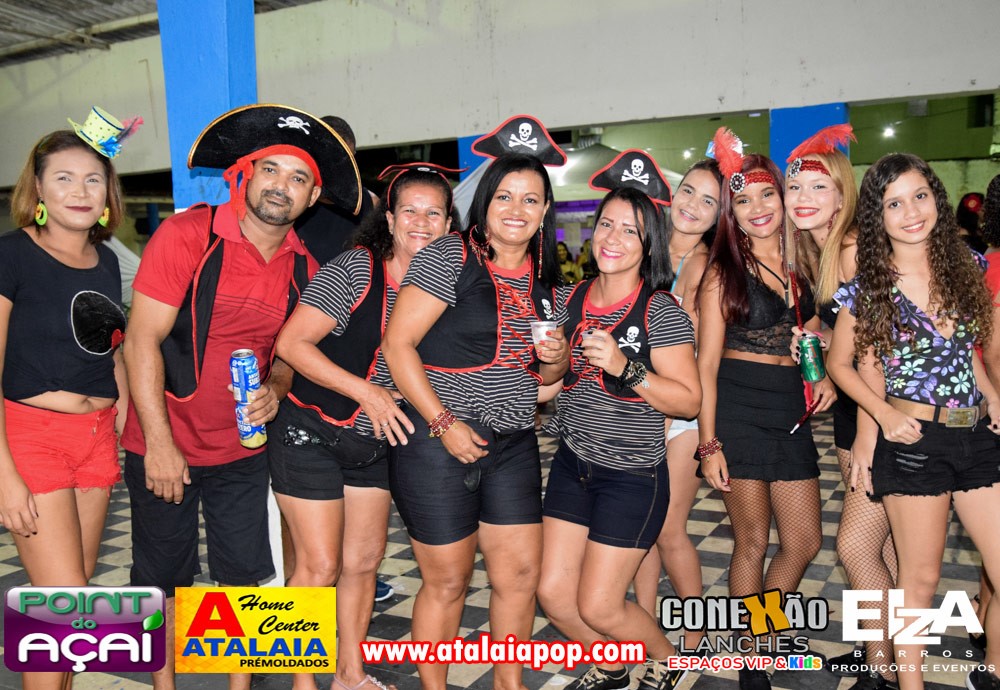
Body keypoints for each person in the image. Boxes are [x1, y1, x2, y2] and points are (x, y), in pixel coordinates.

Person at [120, 104, 360, 690]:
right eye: (270, 170)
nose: (281, 185)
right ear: (245, 175)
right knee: (161, 581)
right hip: (165, 442)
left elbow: (288, 354)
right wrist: (160, 445)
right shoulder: (188, 235)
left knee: (243, 581)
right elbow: (141, 340)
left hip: (243, 449)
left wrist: (276, 389)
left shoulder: (305, 268)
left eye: (298, 178)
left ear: (312, 198)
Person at [381, 114, 569, 690]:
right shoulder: (449, 257)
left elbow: (546, 385)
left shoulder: (547, 283)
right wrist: (443, 423)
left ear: (544, 211)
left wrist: (558, 356)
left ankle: (509, 684)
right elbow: (397, 345)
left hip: (512, 444)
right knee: (448, 582)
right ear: (485, 203)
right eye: (505, 196)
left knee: (519, 577)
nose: (517, 209)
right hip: (437, 442)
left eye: (530, 199)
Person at [272, 163, 461, 690]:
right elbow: (291, 343)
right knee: (319, 565)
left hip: (377, 441)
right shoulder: (357, 268)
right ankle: (302, 684)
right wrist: (368, 391)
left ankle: (349, 674)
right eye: (409, 211)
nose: (421, 222)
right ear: (390, 219)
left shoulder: (449, 286)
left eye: (433, 213)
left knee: (362, 562)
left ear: (449, 225)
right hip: (311, 430)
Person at [827, 153, 1000, 690]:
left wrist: (993, 395)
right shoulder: (871, 286)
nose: (911, 212)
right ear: (878, 217)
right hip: (914, 443)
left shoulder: (966, 265)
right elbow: (841, 363)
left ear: (936, 199)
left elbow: (965, 350)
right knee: (919, 583)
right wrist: (880, 416)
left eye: (919, 196)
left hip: (977, 436)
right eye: (894, 204)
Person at [537, 150, 700, 690]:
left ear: (649, 243)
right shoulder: (569, 300)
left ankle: (670, 660)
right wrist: (550, 363)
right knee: (554, 595)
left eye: (631, 230)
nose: (613, 238)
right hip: (573, 464)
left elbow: (688, 402)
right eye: (606, 224)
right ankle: (611, 665)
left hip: (631, 477)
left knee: (601, 606)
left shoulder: (661, 312)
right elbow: (548, 390)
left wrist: (625, 367)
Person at [0, 107, 135, 690]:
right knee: (62, 603)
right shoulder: (11, 254)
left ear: (107, 192)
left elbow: (111, 351)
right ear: (37, 189)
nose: (80, 191)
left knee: (72, 611)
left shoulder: (106, 260)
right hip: (32, 437)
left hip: (96, 439)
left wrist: (127, 425)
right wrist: (3, 475)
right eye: (63, 178)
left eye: (92, 179)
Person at [697, 128, 835, 690]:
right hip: (737, 409)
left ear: (782, 196)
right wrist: (709, 444)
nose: (756, 208)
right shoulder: (722, 272)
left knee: (803, 542)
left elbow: (822, 327)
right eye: (742, 200)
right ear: (731, 213)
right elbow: (705, 366)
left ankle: (763, 631)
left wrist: (824, 366)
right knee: (752, 541)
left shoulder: (807, 261)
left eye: (766, 194)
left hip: (790, 412)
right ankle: (754, 658)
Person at [784, 126, 897, 689]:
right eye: (794, 186)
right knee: (887, 548)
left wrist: (869, 439)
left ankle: (880, 671)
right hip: (863, 411)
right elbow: (856, 331)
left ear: (842, 194)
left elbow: (879, 351)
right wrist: (820, 334)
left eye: (818, 187)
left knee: (854, 547)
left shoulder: (851, 247)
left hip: (885, 413)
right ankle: (884, 653)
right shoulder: (823, 250)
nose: (802, 198)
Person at [633, 158, 722, 653]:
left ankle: (695, 633)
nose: (693, 205)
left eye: (709, 200)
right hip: (638, 404)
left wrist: (696, 431)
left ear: (719, 214)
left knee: (668, 529)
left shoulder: (704, 267)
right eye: (688, 191)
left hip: (681, 416)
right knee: (641, 527)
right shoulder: (644, 249)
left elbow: (700, 356)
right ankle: (646, 625)